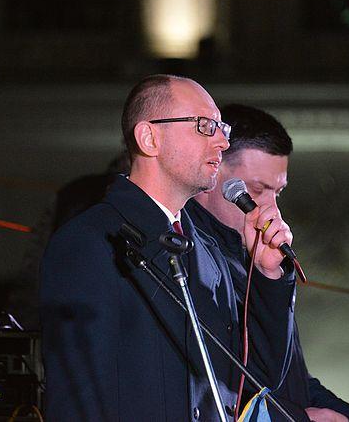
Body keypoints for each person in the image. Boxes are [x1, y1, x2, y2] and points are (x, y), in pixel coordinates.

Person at [40, 74, 296, 421]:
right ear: (149, 138)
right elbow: (76, 398)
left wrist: (267, 274)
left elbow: (255, 380)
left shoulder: (210, 252)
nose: (222, 141)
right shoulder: (89, 242)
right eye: (205, 126)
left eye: (223, 128)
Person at [188, 104, 349, 421]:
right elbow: (237, 385)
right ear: (214, 169)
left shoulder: (253, 254)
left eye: (278, 192)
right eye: (257, 189)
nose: (271, 208)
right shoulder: (192, 255)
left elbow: (292, 379)